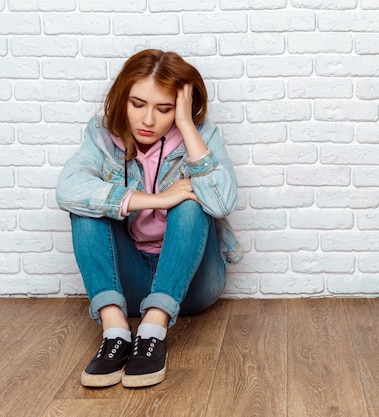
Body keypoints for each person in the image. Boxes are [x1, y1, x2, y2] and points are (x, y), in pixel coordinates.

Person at [56, 49, 242, 388]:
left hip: (193, 285)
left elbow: (222, 203)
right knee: (87, 209)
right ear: (122, 99)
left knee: (192, 202)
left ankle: (153, 330)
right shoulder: (102, 135)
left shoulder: (202, 135)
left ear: (181, 107)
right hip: (130, 281)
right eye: (137, 104)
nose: (147, 120)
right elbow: (68, 189)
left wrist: (186, 126)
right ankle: (115, 333)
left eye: (165, 109)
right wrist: (157, 199)